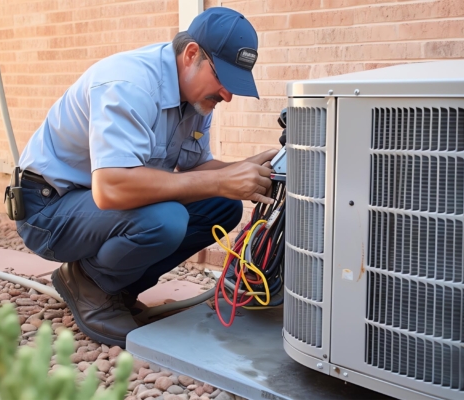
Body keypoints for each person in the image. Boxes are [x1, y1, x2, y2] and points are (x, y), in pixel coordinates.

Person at [15, 7, 277, 348]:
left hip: (95, 206)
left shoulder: (196, 100)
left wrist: (244, 169)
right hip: (48, 209)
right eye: (222, 78)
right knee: (165, 219)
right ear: (191, 54)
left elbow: (194, 172)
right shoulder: (129, 83)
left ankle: (119, 288)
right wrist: (218, 181)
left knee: (222, 205)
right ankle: (89, 283)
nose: (227, 94)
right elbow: (112, 189)